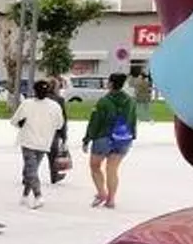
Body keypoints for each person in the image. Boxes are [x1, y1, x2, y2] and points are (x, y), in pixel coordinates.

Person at [83, 72, 138, 209]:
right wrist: (132, 136)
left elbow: (95, 122)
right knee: (112, 169)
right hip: (123, 139)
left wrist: (87, 139)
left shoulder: (104, 101)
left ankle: (102, 193)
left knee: (95, 166)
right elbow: (133, 120)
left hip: (104, 138)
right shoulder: (130, 101)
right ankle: (111, 199)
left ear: (111, 84)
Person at [11, 79, 66, 209]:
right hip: (44, 142)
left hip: (28, 141)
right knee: (32, 170)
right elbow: (60, 124)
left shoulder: (27, 104)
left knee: (31, 170)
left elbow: (14, 121)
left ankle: (38, 195)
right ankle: (25, 195)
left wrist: (21, 124)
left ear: (34, 91)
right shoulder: (55, 106)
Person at [44, 80, 71, 184]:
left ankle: (28, 175)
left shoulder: (39, 98)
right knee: (53, 154)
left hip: (39, 129)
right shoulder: (59, 100)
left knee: (35, 154)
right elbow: (63, 118)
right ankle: (54, 176)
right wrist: (64, 136)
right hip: (54, 131)